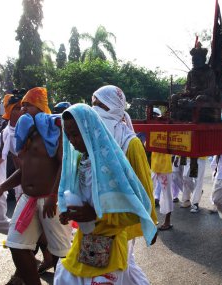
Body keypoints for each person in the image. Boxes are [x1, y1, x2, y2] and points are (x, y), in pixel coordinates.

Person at [54, 103, 157, 285]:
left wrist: (96, 214)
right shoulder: (80, 162)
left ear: (89, 131)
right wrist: (69, 213)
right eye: (68, 135)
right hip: (86, 245)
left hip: (108, 248)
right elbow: (83, 203)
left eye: (76, 134)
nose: (71, 140)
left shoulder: (111, 166)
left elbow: (134, 211)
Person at [0, 87, 72, 285]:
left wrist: (53, 196)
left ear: (40, 107)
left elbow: (64, 164)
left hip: (52, 200)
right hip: (28, 199)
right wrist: (2, 187)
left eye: (27, 105)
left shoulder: (56, 130)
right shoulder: (27, 134)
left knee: (62, 253)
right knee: (16, 245)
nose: (23, 109)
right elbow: (25, 170)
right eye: (21, 106)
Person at [91, 85, 158, 279]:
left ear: (115, 107)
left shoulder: (131, 143)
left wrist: (150, 223)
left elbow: (145, 185)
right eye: (93, 103)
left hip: (121, 221)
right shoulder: (92, 137)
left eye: (101, 105)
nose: (94, 109)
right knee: (125, 267)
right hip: (96, 219)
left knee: (112, 271)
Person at [170, 42, 218, 122]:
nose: (194, 62)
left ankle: (197, 118)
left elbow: (211, 90)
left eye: (196, 60)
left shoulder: (209, 72)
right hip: (191, 96)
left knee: (199, 98)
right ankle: (175, 117)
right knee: (174, 97)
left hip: (205, 97)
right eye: (193, 61)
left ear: (203, 60)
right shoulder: (191, 73)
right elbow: (187, 88)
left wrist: (199, 91)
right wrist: (187, 92)